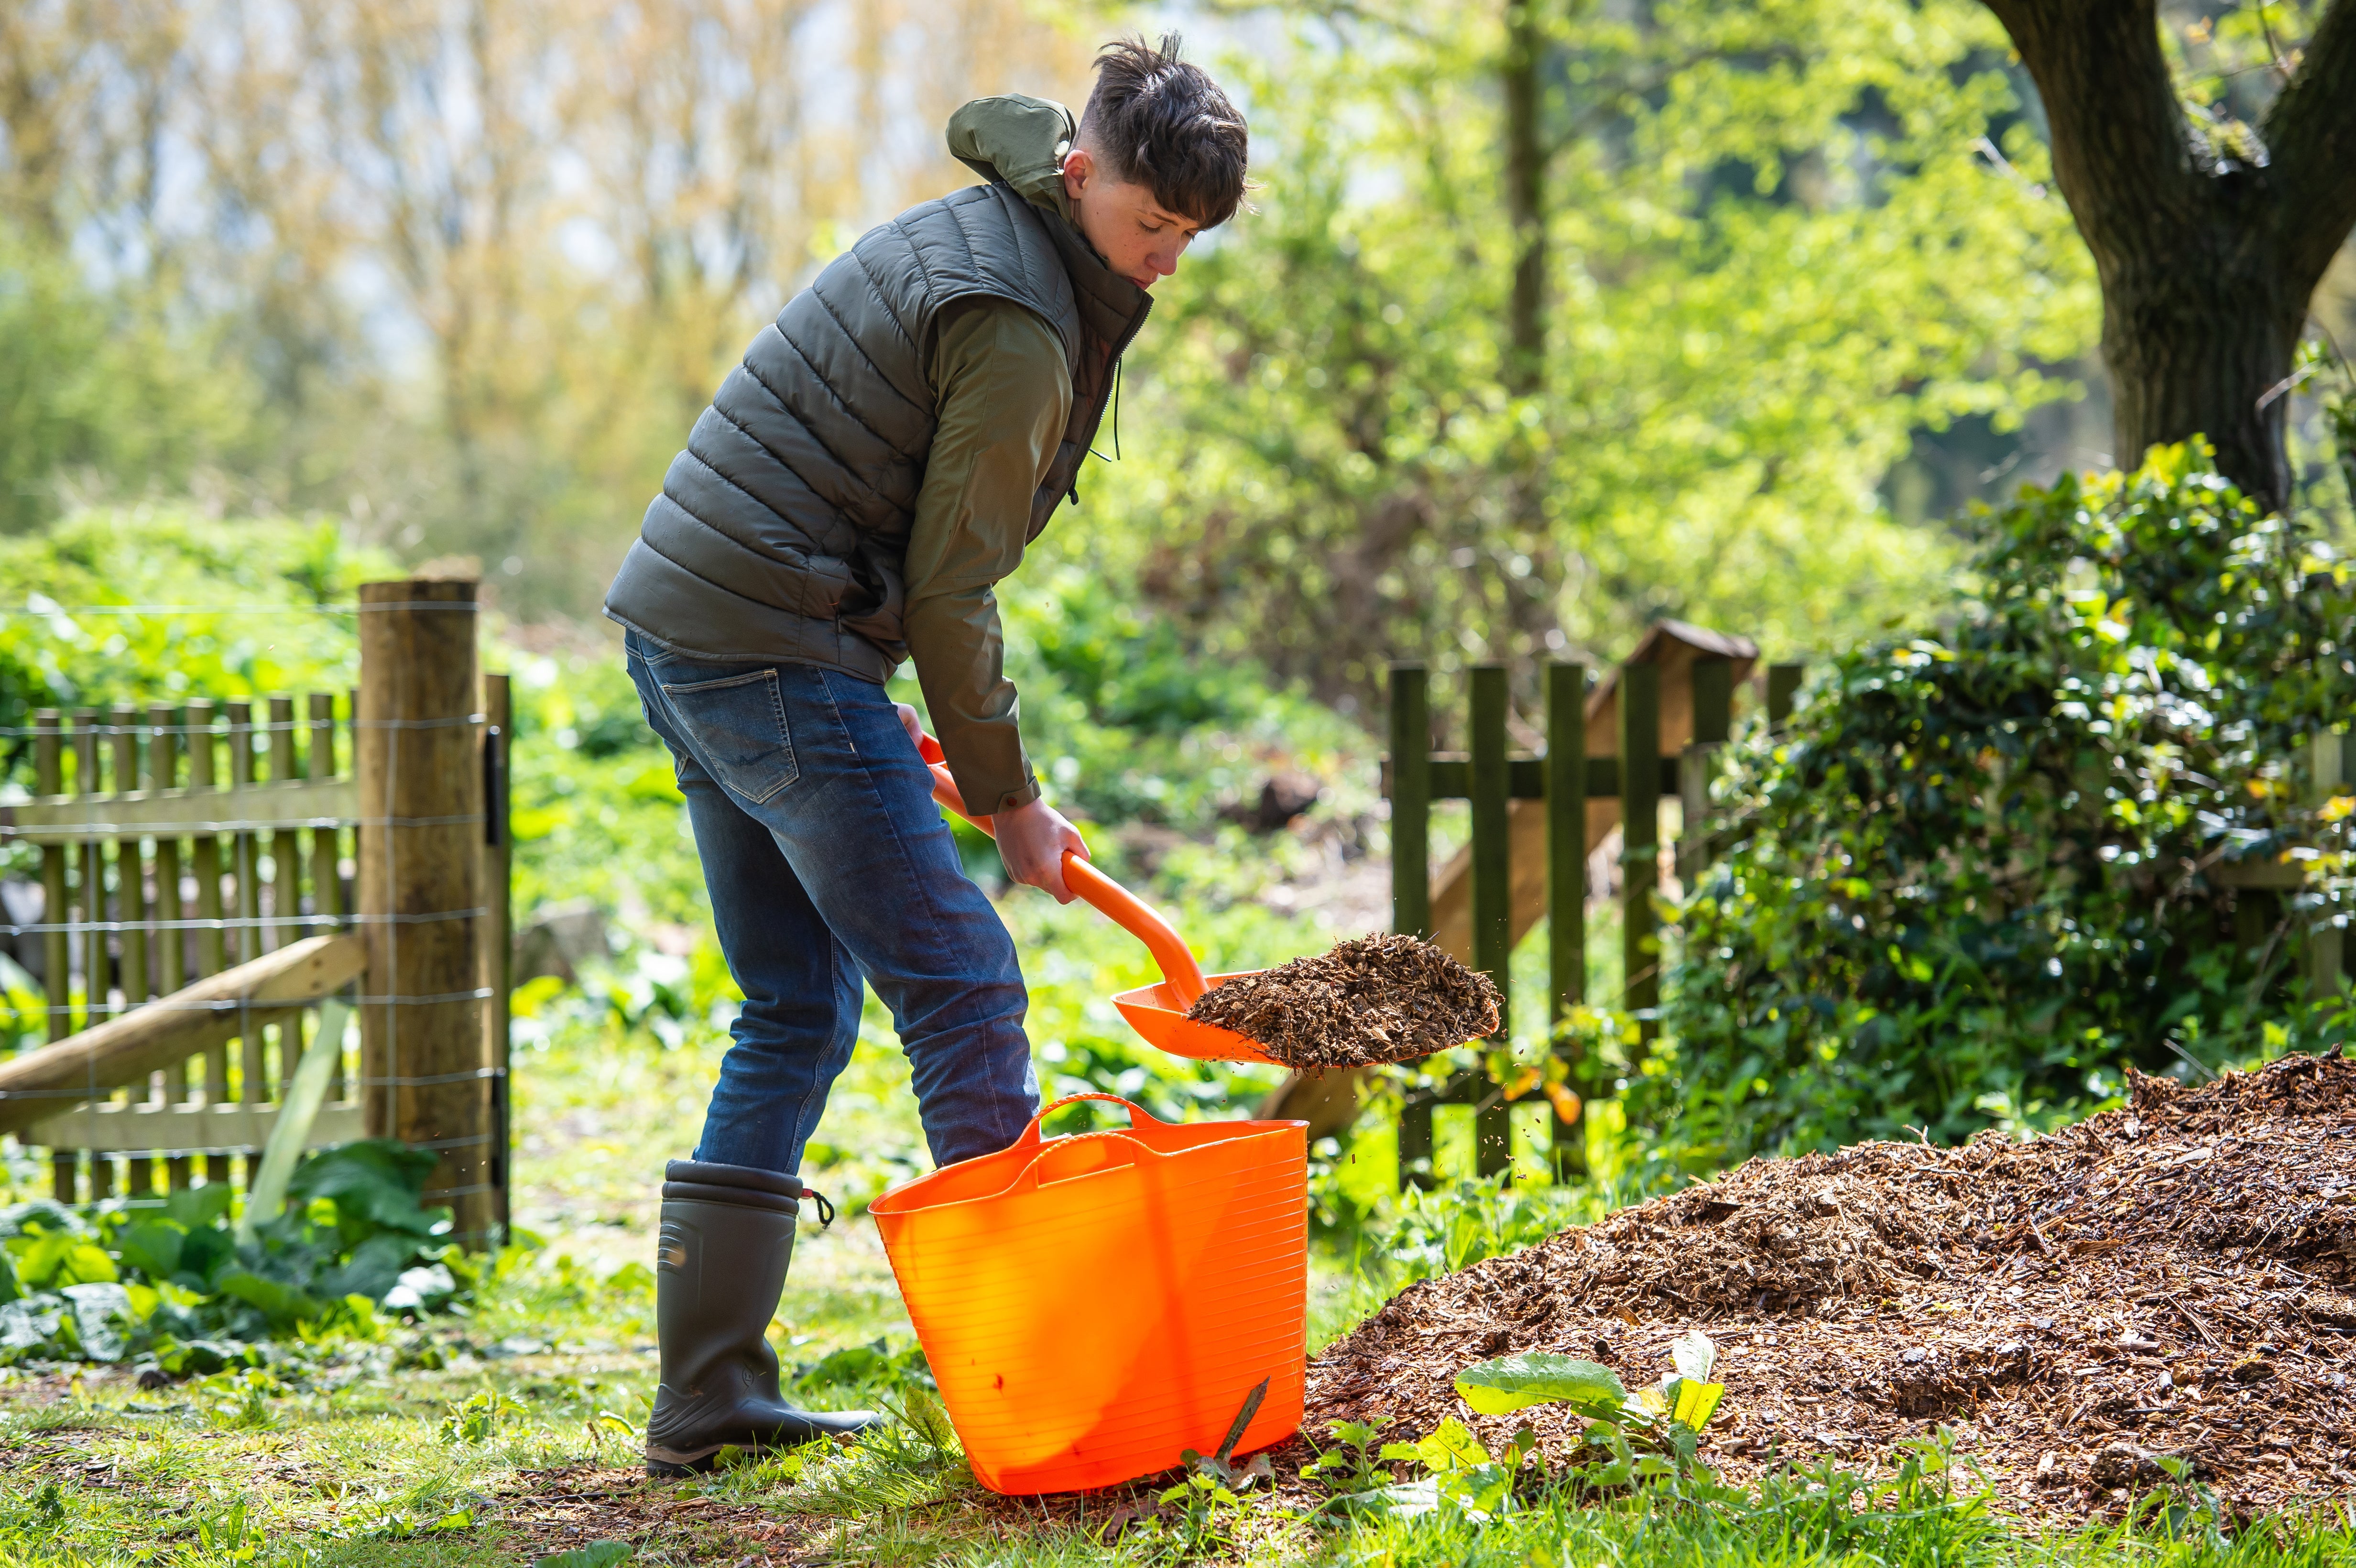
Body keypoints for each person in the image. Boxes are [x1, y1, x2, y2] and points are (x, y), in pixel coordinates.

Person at [601, 35, 1251, 1475]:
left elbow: (886, 528)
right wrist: (1011, 803)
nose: (1165, 260)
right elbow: (955, 588)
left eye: (1191, 238)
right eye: (1151, 225)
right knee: (962, 978)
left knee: (794, 1005)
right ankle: (1051, 1396)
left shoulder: (1008, 234)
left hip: (705, 627)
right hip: (767, 643)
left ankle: (708, 1396)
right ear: (1082, 172)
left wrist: (852, 684)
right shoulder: (1019, 322)